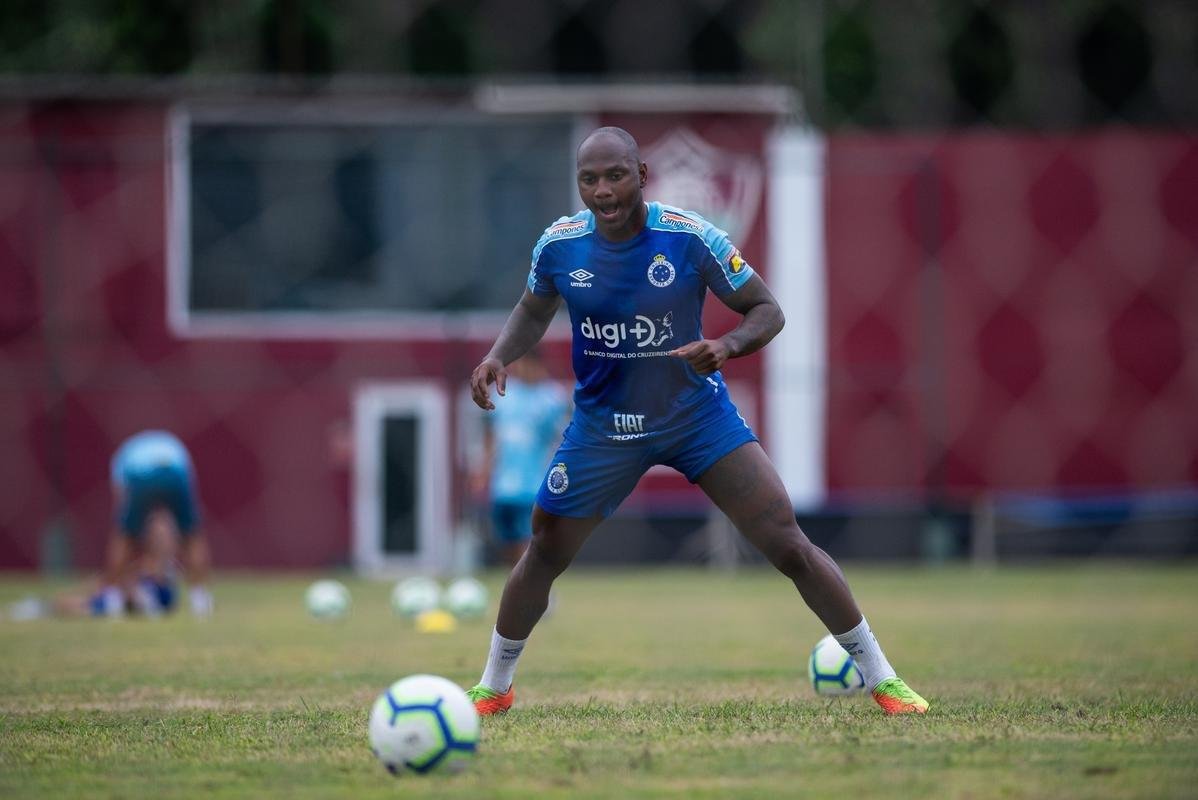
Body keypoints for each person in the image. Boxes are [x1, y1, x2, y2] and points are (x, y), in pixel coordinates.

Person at [464, 127, 928, 716]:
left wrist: (727, 346)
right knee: (545, 547)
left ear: (642, 176)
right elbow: (533, 309)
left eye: (615, 176)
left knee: (787, 542)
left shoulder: (690, 237)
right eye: (589, 179)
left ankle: (884, 679)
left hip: (694, 417)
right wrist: (498, 355)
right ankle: (495, 687)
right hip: (605, 425)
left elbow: (768, 310)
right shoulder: (558, 246)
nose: (603, 191)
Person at [97, 430, 213, 617]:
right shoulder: (173, 445)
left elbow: (122, 500)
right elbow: (188, 482)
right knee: (192, 537)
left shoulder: (123, 456)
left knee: (124, 537)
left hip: (139, 474)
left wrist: (134, 533)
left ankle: (112, 598)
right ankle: (200, 599)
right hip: (175, 471)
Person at [471, 348, 570, 567]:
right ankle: (518, 589)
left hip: (534, 485)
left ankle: (535, 590)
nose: (518, 369)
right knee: (508, 543)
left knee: (529, 542)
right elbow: (491, 439)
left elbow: (566, 439)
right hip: (503, 487)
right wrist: (482, 472)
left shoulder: (553, 398)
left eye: (523, 363)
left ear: (537, 365)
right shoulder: (504, 396)